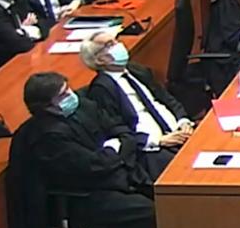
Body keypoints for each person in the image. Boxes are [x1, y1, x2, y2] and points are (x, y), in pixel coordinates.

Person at [21, 72, 157, 228]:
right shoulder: (48, 136)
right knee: (154, 214)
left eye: (68, 88)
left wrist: (114, 152)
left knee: (168, 197)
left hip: (121, 174)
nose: (71, 95)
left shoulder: (85, 106)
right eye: (63, 95)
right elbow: (91, 166)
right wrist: (113, 149)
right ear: (45, 106)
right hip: (88, 195)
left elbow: (123, 132)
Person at [81, 30, 194, 179]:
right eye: (109, 45)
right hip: (151, 149)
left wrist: (183, 120)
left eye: (116, 40)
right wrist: (158, 141)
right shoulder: (102, 89)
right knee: (187, 174)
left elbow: (167, 99)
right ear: (99, 60)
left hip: (179, 132)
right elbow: (117, 130)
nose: (118, 45)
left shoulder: (137, 70)